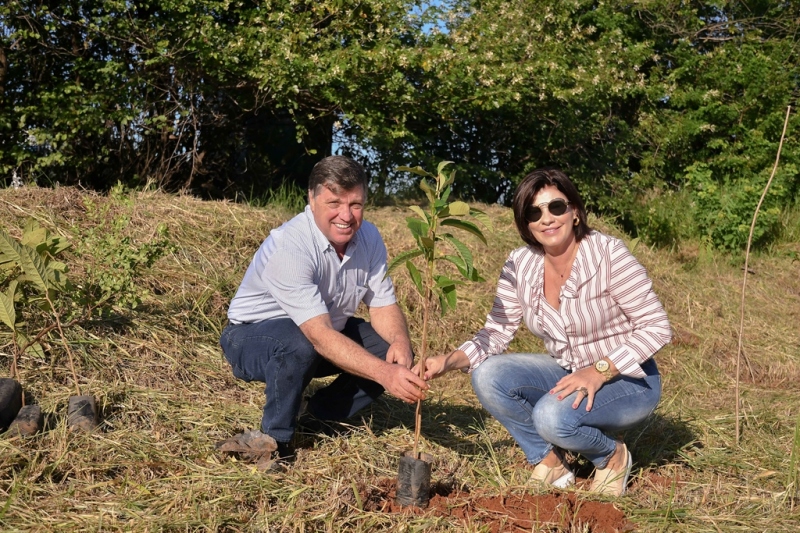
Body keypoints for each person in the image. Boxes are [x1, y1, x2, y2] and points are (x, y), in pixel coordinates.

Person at [414, 168, 672, 496]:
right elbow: (496, 331)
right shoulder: (520, 264)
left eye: (556, 207)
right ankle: (550, 459)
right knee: (487, 374)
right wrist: (447, 361)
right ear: (526, 224)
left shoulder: (608, 254)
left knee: (551, 416)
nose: (547, 218)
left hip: (629, 381)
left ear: (575, 211)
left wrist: (600, 369)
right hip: (569, 372)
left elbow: (657, 326)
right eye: (534, 212)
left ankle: (610, 455)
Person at [219, 155, 428, 470]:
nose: (346, 215)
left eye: (355, 204)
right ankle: (275, 440)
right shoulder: (291, 246)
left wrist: (400, 343)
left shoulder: (369, 237)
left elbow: (383, 304)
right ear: (311, 199)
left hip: (321, 331)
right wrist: (385, 375)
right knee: (299, 343)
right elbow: (318, 335)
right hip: (252, 338)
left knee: (385, 352)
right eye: (334, 203)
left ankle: (317, 417)